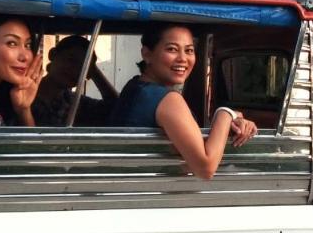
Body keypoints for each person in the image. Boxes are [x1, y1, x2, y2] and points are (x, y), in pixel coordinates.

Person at [109, 23, 258, 179]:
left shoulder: (136, 86)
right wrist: (225, 114)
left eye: (189, 50)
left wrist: (232, 120)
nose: (183, 59)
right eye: (172, 49)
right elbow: (205, 168)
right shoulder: (168, 99)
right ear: (147, 54)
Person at [32, 35, 118, 126]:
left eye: (82, 67)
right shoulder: (25, 94)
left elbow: (116, 108)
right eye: (71, 60)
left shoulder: (76, 103)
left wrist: (94, 71)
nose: (73, 69)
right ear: (52, 54)